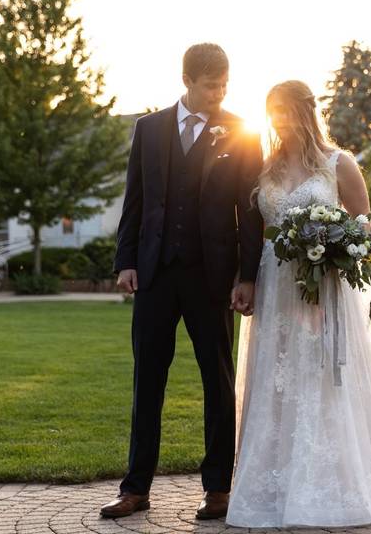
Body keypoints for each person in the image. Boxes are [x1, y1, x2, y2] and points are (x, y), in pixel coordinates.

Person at [226, 80, 371, 528]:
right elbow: (255, 233)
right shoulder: (266, 167)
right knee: (277, 374)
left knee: (319, 374)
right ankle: (274, 483)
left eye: (286, 110)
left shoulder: (339, 163)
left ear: (306, 112)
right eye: (272, 111)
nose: (279, 119)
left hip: (323, 288)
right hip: (276, 284)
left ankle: (331, 480)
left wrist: (335, 255)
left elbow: (363, 229)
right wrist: (247, 279)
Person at [100, 43, 264, 520]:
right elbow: (135, 199)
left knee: (217, 379)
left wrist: (247, 276)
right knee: (147, 380)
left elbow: (249, 212)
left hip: (212, 277)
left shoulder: (240, 131)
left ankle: (218, 488)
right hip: (154, 273)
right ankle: (135, 488)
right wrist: (125, 260)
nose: (219, 93)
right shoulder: (148, 129)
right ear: (187, 80)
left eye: (225, 85)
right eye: (211, 85)